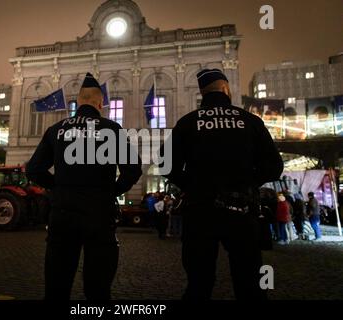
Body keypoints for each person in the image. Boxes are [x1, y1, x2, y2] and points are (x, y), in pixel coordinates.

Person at [164, 68, 284, 300]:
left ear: (202, 92)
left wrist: (193, 186)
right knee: (250, 284)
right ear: (226, 89)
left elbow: (165, 164)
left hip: (200, 212)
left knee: (198, 284)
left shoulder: (188, 122)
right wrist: (248, 182)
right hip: (242, 211)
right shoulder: (250, 121)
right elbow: (274, 167)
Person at [26, 72, 142, 300]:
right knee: (98, 290)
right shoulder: (112, 129)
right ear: (100, 103)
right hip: (100, 216)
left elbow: (34, 170)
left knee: (57, 288)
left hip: (63, 215)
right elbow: (133, 170)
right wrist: (110, 192)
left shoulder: (57, 129)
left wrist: (58, 188)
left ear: (78, 103)